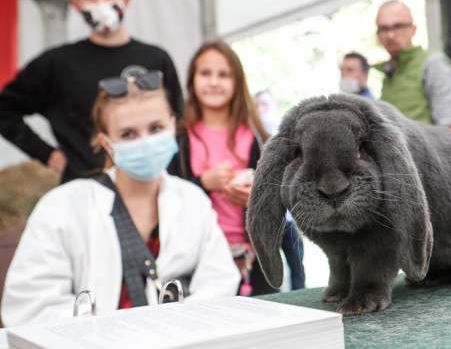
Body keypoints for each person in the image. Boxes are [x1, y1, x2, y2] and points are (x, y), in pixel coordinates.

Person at [1, 71, 239, 327]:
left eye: (156, 128)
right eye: (128, 134)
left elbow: (219, 283)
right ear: (106, 142)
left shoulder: (193, 201)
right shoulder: (62, 206)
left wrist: (176, 329)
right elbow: (31, 305)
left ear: (173, 125)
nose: (145, 141)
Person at [0, 0, 183, 183]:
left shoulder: (155, 58)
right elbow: (4, 109)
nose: (101, 3)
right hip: (85, 191)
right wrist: (48, 154)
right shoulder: (56, 64)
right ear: (76, 5)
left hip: (152, 188)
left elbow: (178, 123)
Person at [170, 40, 304, 295]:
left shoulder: (254, 136)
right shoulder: (179, 137)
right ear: (191, 80)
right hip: (197, 258)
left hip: (253, 258)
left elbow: (279, 195)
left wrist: (254, 196)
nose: (213, 82)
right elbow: (167, 195)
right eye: (205, 73)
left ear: (237, 82)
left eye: (223, 75)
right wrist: (203, 183)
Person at [373, 0, 451, 129]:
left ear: (413, 29)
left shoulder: (432, 63)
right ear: (378, 34)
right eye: (384, 29)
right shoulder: (388, 71)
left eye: (398, 26)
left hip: (426, 148)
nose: (390, 35)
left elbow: (450, 128)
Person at [252, 89, 306, 291]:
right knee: (269, 267)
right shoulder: (253, 139)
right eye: (256, 106)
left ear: (274, 106)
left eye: (264, 105)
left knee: (296, 263)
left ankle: (302, 296)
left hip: (289, 219)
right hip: (268, 215)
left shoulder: (291, 138)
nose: (260, 110)